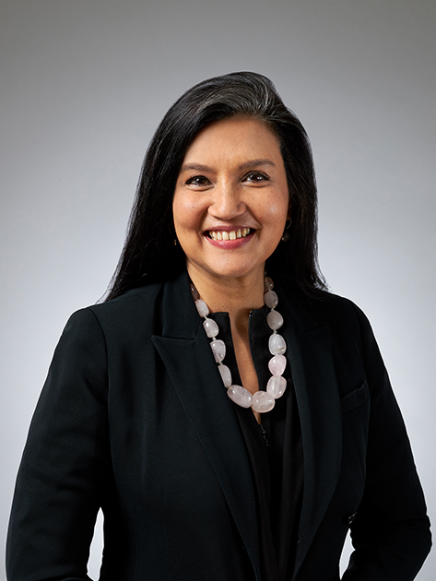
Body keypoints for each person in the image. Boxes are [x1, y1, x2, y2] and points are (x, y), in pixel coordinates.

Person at [6, 72, 431, 581]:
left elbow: (400, 527)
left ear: (292, 197)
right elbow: (40, 565)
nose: (227, 206)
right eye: (198, 180)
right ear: (167, 200)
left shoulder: (343, 331)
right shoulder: (103, 342)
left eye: (255, 176)